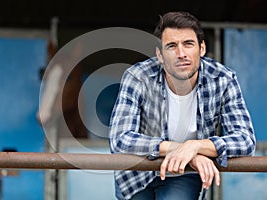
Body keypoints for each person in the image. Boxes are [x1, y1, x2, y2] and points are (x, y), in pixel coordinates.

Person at [109, 11, 256, 200]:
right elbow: (120, 139)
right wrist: (183, 150)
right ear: (160, 55)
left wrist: (195, 146)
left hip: (184, 172)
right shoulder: (137, 77)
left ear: (202, 48)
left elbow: (245, 141)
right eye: (171, 46)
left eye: (188, 44)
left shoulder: (223, 79)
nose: (181, 54)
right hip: (137, 172)